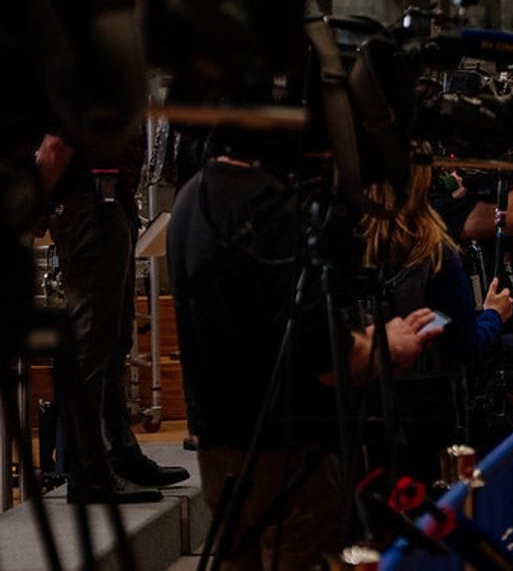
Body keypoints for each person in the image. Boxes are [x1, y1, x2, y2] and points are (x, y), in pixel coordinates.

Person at [169, 149, 441, 570]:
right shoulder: (274, 208)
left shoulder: (193, 195)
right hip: (290, 459)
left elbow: (271, 328)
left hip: (221, 450)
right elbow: (328, 361)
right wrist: (386, 346)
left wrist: (364, 339)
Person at [36, 132, 190, 504]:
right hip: (88, 205)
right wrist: (34, 211)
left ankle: (119, 452)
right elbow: (55, 146)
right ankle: (89, 470)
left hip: (109, 202)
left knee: (115, 336)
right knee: (92, 342)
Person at [360, 143, 513, 484]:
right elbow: (465, 346)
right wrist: (493, 315)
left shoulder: (354, 243)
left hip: (367, 406)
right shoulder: (435, 253)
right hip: (429, 410)